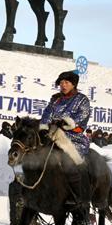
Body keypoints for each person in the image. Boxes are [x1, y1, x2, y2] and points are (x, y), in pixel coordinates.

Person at [40, 70, 90, 206]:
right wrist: (44, 128)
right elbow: (46, 115)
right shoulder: (55, 99)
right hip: (52, 135)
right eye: (61, 82)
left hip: (73, 137)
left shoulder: (82, 100)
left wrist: (66, 122)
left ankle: (77, 197)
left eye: (66, 82)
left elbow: (82, 116)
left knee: (69, 163)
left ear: (73, 84)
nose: (63, 85)